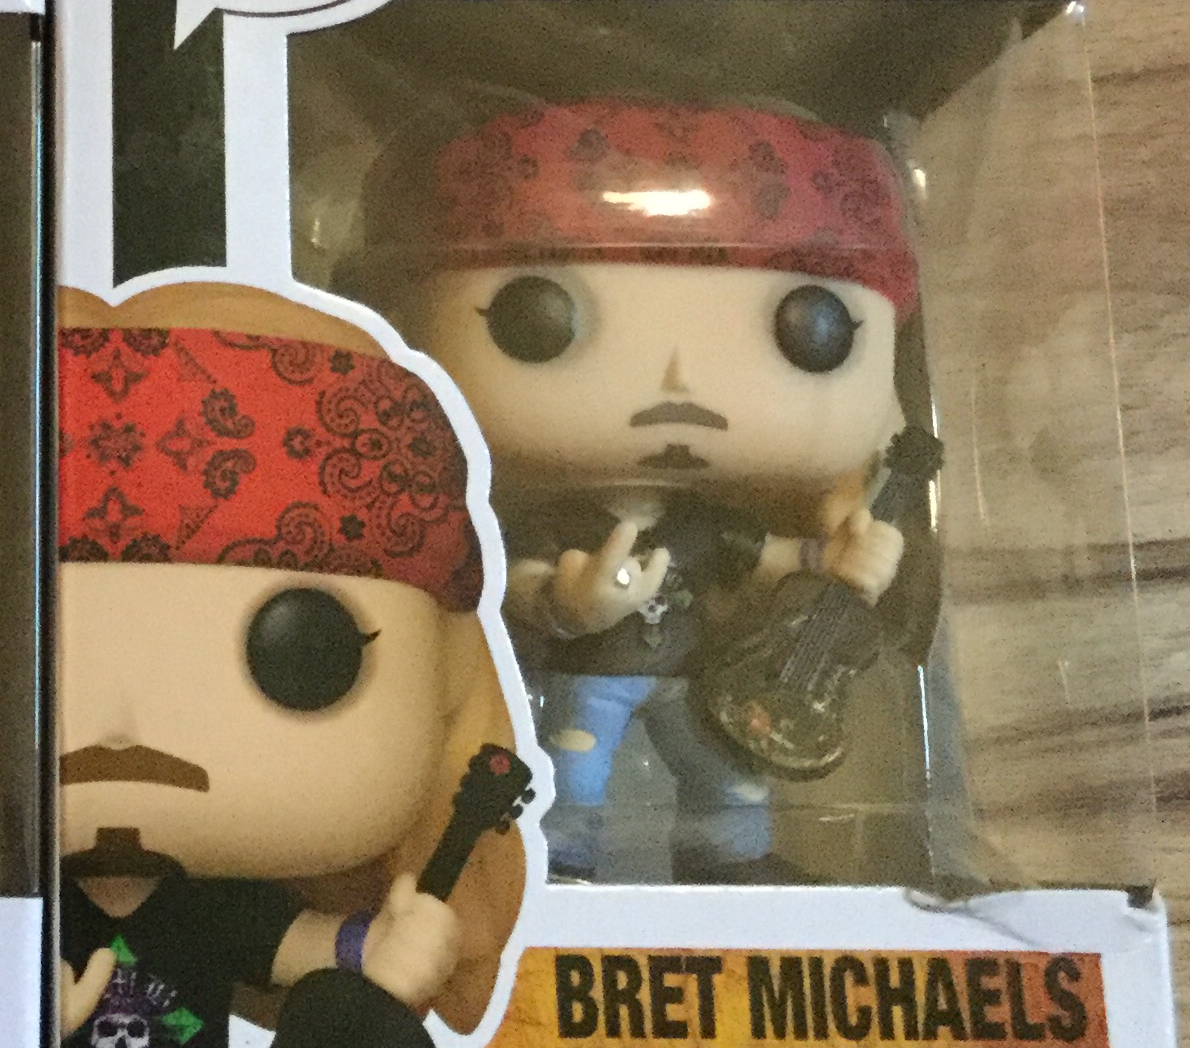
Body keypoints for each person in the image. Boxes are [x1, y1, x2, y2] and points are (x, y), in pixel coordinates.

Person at [368, 97, 917, 878]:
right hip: (589, 681)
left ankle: (731, 866)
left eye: (810, 328)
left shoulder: (701, 521)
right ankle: (560, 868)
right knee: (571, 776)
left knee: (727, 772)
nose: (677, 379)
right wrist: (567, 605)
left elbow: (768, 557)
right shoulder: (562, 519)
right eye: (539, 318)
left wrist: (835, 561)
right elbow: (508, 583)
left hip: (692, 680)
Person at [56, 283, 528, 1048]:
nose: (120, 729)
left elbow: (306, 946)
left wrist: (387, 951)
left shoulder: (208, 903)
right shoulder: (25, 910)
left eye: (302, 654)